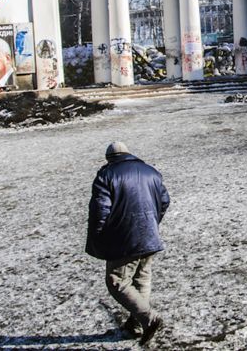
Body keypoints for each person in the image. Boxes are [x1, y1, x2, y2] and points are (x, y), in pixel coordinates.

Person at [86, 142, 170, 344]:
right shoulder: (151, 171)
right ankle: (136, 325)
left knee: (117, 281)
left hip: (123, 238)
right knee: (141, 279)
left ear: (110, 158)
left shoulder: (107, 175)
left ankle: (149, 318)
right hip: (149, 235)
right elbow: (165, 201)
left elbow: (100, 210)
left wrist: (98, 235)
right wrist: (152, 222)